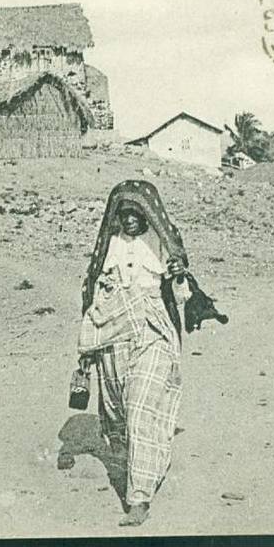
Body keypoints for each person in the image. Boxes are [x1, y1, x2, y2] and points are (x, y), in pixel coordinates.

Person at [77, 180, 191, 527]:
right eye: (123, 213)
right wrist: (85, 350)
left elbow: (182, 294)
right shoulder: (108, 246)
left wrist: (177, 277)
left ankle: (138, 497)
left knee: (141, 406)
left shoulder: (163, 244)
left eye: (136, 212)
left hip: (153, 330)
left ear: (148, 214)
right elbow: (92, 295)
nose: (129, 219)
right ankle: (144, 460)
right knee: (120, 411)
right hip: (114, 335)